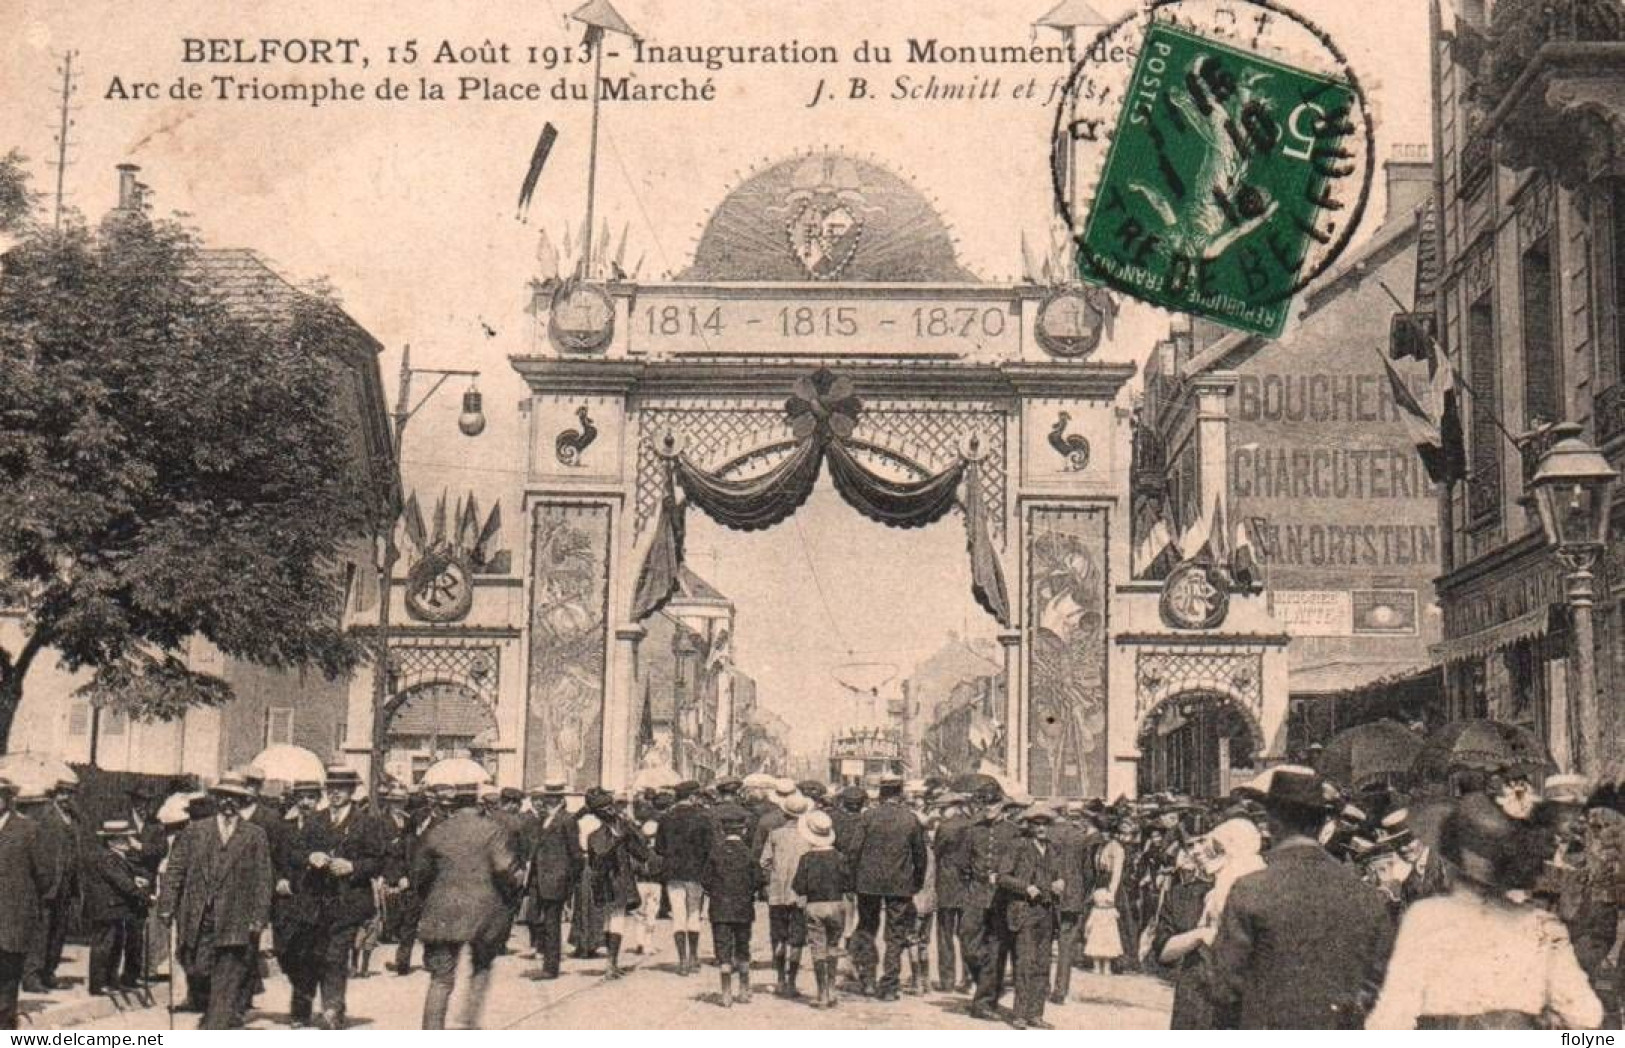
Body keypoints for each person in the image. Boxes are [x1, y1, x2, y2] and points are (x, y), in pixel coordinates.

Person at [1367, 792, 1603, 1029]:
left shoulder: (1426, 917)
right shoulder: (1542, 925)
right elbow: (1588, 1017)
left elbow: (1389, 1020)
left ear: (1452, 860)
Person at [1207, 766, 1396, 1029]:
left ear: (1272, 823)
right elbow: (1380, 982)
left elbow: (1224, 987)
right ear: (1321, 825)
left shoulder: (1251, 890)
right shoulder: (1364, 894)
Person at [157, 774, 274, 1030]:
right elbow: (175, 869)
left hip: (235, 917)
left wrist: (259, 917)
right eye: (224, 797)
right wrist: (166, 904)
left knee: (227, 973)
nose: (229, 802)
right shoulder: (194, 831)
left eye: (236, 798)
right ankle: (223, 1013)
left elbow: (264, 880)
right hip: (198, 916)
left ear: (244, 801)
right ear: (217, 799)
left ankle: (215, 1025)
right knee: (197, 969)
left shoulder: (255, 836)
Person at [413, 782, 522, 1029]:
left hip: (442, 911)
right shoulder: (491, 830)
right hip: (482, 913)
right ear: (479, 804)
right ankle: (469, 1025)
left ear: (452, 805)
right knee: (481, 967)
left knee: (440, 979)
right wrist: (516, 882)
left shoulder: (438, 831)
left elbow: (420, 873)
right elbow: (504, 868)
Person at [299, 764, 389, 1029]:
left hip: (349, 901)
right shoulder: (316, 820)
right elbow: (296, 851)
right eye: (331, 789)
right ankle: (329, 1004)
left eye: (341, 789)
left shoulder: (367, 823)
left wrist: (354, 867)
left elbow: (380, 860)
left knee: (335, 955)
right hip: (317, 899)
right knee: (317, 954)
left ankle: (332, 1010)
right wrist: (310, 857)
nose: (335, 794)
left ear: (351, 791)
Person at [847, 774, 928, 1001]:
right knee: (895, 934)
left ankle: (868, 980)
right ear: (900, 793)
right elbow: (920, 856)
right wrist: (917, 882)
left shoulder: (868, 817)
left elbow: (854, 851)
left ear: (881, 794)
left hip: (867, 883)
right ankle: (890, 985)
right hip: (900, 884)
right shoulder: (910, 819)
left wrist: (853, 880)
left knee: (866, 929)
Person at [996, 805, 1066, 1030]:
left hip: (1047, 913)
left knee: (1043, 964)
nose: (1042, 828)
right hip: (1024, 912)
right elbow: (1003, 877)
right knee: (1024, 963)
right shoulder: (1017, 847)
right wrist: (1026, 887)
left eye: (1045, 824)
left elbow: (1059, 875)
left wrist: (1060, 883)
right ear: (1029, 826)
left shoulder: (1053, 849)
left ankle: (1036, 1014)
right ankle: (1020, 1014)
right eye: (1037, 824)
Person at [702, 804, 762, 1007]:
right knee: (743, 946)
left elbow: (706, 881)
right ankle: (744, 989)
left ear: (723, 830)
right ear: (744, 829)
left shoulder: (715, 852)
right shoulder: (748, 854)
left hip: (719, 908)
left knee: (723, 948)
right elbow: (758, 881)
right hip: (743, 908)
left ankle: (726, 992)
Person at [585, 786, 649, 979]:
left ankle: (610, 963)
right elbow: (642, 853)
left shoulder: (592, 829)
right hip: (619, 879)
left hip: (601, 880)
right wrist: (631, 829)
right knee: (617, 919)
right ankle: (611, 962)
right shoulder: (620, 829)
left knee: (608, 919)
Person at [1153, 837, 1216, 1030]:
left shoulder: (1249, 890)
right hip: (1192, 997)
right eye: (1190, 846)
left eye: (1202, 842)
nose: (1195, 851)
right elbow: (1162, 951)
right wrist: (1199, 935)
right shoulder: (1180, 895)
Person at [83, 820, 152, 995]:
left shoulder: (117, 857)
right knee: (104, 946)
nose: (128, 842)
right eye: (124, 838)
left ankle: (111, 980)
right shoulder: (107, 858)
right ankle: (98, 985)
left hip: (114, 908)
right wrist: (144, 895)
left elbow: (125, 878)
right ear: (112, 841)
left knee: (115, 946)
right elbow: (121, 882)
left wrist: (136, 881)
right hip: (106, 909)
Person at [0, 777, 48, 1029]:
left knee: (7, 982)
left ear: (7, 800)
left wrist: (26, 902)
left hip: (12, 918)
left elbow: (44, 874)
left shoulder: (28, 829)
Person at [525, 780, 580, 980]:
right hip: (541, 878)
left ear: (556, 799)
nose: (544, 801)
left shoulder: (567, 820)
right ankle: (547, 962)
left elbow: (575, 854)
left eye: (547, 797)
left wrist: (569, 881)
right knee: (541, 922)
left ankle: (551, 967)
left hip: (556, 879)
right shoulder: (545, 819)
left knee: (551, 924)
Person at [793, 810, 848, 1010]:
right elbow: (847, 882)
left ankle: (822, 992)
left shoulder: (807, 858)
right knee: (833, 947)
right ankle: (832, 990)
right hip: (836, 904)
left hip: (815, 905)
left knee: (818, 950)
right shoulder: (840, 857)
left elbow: (798, 886)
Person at [655, 780, 711, 976]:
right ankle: (694, 956)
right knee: (694, 912)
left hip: (673, 872)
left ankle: (682, 961)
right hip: (696, 872)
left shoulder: (665, 818)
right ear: (693, 797)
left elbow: (659, 848)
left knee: (678, 914)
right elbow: (708, 847)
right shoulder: (703, 817)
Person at [760, 793, 812, 998]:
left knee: (778, 936)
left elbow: (764, 862)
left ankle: (780, 979)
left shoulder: (775, 834)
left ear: (784, 813)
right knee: (797, 939)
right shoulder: (809, 837)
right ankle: (792, 982)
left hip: (777, 894)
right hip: (801, 895)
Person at [1049, 800, 1094, 1004]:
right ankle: (1061, 990)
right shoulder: (1079, 836)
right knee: (1066, 944)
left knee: (1042, 942)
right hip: (1073, 894)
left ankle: (1041, 986)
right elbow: (1087, 870)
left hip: (1049, 893)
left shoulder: (1046, 835)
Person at [932, 793, 971, 992]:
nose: (940, 813)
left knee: (945, 935)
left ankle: (947, 980)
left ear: (953, 807)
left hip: (947, 885)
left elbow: (936, 852)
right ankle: (968, 978)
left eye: (942, 808)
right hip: (967, 887)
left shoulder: (945, 827)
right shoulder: (972, 825)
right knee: (967, 934)